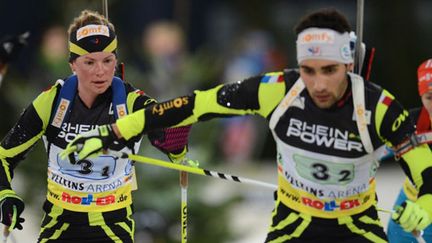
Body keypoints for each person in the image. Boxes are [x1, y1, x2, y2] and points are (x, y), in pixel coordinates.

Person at [62, 8, 432, 242]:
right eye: (309, 70)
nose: (318, 84)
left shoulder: (377, 103)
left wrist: (426, 204)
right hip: (294, 226)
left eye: (330, 71)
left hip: (356, 227)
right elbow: (191, 106)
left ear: (349, 65)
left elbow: (422, 167)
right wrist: (112, 132)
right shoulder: (277, 89)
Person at [0, 10, 190, 242]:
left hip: (112, 227)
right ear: (73, 65)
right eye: (89, 62)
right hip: (59, 225)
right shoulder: (52, 101)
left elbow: (167, 135)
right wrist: (5, 194)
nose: (100, 71)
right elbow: (4, 156)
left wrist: (175, 142)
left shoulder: (130, 101)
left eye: (107, 60)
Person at [386, 59, 432, 242]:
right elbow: (379, 149)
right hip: (412, 205)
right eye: (429, 98)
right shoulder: (410, 121)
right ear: (421, 96)